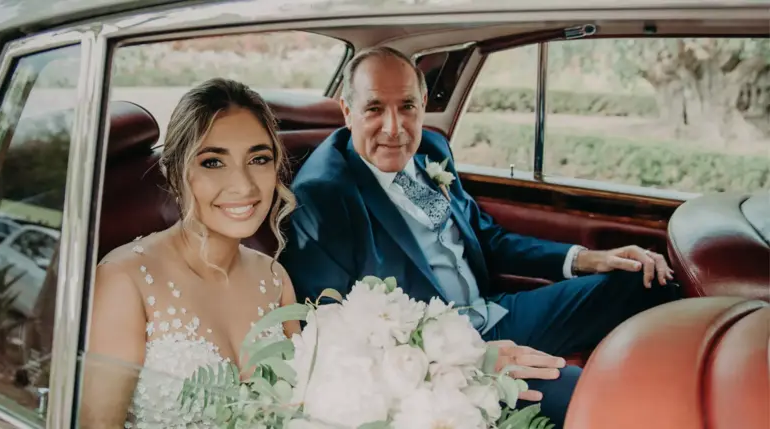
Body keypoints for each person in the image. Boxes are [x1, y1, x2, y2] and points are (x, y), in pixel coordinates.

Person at [279, 47, 683, 428]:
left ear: (423, 105)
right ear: (347, 111)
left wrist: (587, 259)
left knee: (648, 280)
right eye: (374, 109)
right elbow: (332, 330)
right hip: (442, 358)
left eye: (407, 107)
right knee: (593, 395)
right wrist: (472, 358)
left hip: (493, 311)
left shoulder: (431, 150)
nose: (394, 128)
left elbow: (485, 238)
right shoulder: (324, 198)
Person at [80, 78, 301, 428]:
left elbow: (301, 410)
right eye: (213, 162)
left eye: (259, 159)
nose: (243, 185)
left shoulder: (274, 279)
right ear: (175, 173)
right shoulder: (125, 281)